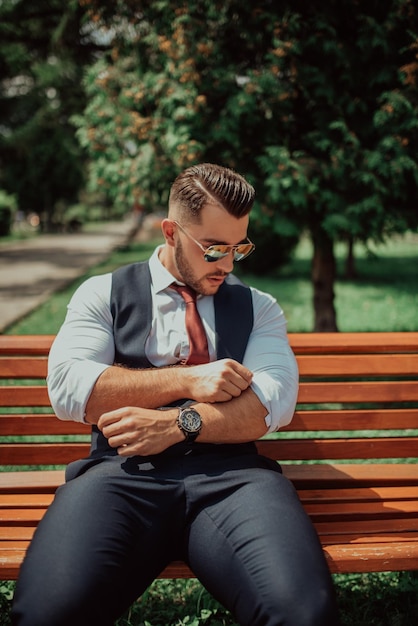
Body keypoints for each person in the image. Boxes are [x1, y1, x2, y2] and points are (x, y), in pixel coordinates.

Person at [12, 163, 340, 626]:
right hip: (119, 476)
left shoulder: (259, 308)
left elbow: (271, 404)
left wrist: (175, 424)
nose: (227, 264)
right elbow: (69, 389)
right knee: (47, 612)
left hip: (235, 481)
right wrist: (188, 380)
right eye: (213, 248)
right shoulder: (102, 294)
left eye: (238, 247)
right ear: (170, 231)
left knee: (302, 613)